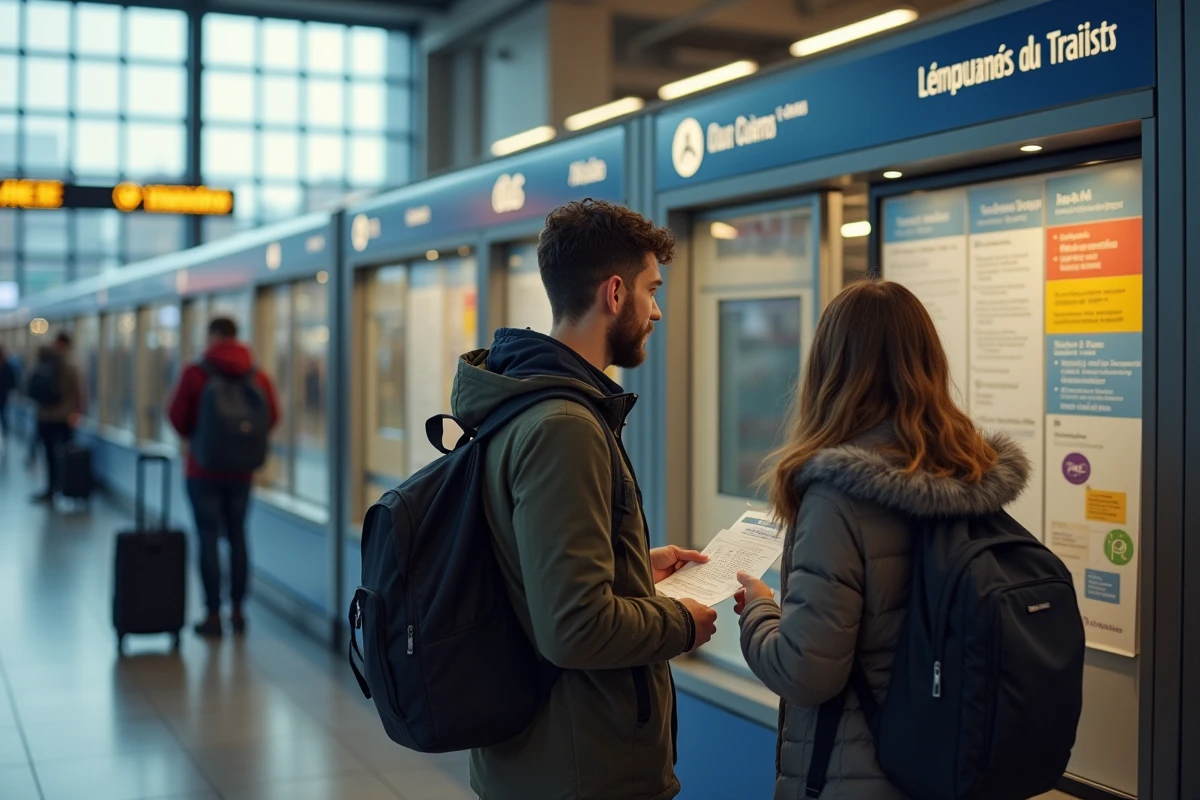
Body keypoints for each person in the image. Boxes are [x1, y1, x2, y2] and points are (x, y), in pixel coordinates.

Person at [451, 199, 718, 800]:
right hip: (579, 768)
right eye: (652, 290)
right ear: (615, 293)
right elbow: (574, 627)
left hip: (544, 755)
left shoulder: (524, 400)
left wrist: (631, 568)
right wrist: (680, 621)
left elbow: (531, 567)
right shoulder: (564, 425)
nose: (658, 310)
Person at [734, 279, 1031, 799]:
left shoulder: (836, 496)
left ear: (830, 367)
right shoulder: (967, 472)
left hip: (861, 774)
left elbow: (807, 672)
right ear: (929, 362)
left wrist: (760, 610)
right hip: (949, 766)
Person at [168, 317, 279, 638]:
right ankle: (239, 611)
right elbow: (271, 416)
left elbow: (177, 417)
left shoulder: (195, 373)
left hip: (202, 471)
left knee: (207, 537)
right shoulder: (257, 375)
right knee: (238, 537)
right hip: (242, 472)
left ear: (212, 336)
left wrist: (201, 438)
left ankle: (213, 614)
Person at [29, 334, 84, 502]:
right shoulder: (70, 364)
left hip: (44, 415)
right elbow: (78, 391)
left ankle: (51, 489)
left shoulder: (44, 360)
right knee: (66, 453)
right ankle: (70, 489)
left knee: (49, 455)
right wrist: (77, 412)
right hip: (63, 416)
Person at [0, 345, 15, 447]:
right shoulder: (7, 366)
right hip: (3, 396)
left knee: (4, 415)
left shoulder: (6, 366)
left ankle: (5, 433)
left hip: (3, 396)